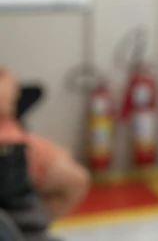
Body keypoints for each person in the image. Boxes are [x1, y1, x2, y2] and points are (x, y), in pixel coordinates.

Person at [0, 68, 90, 220]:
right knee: (76, 180)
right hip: (13, 166)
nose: (16, 95)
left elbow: (35, 91)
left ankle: (29, 228)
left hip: (24, 161)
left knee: (75, 178)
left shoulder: (9, 117)